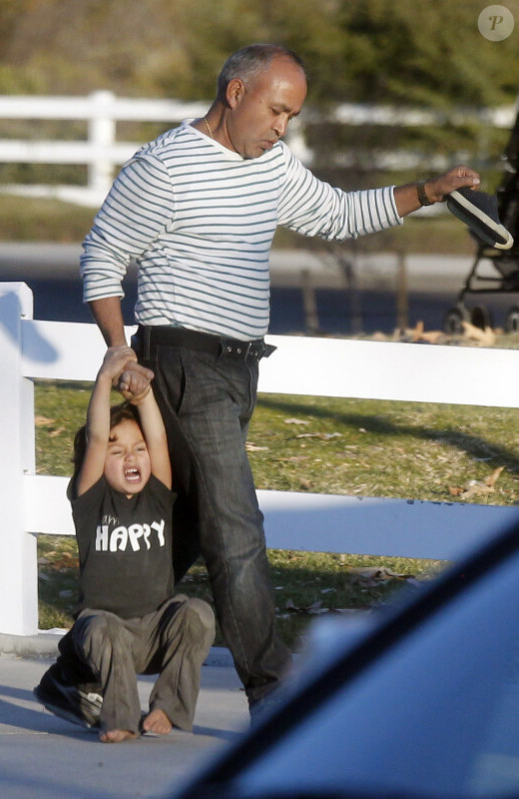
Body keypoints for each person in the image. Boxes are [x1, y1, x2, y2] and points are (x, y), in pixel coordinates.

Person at [78, 43, 481, 717]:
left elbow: (339, 214)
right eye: (276, 109)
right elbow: (102, 256)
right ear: (235, 93)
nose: (281, 127)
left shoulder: (271, 164)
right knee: (237, 528)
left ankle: (77, 669)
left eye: (291, 115)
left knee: (177, 532)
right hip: (181, 361)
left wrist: (429, 192)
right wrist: (121, 352)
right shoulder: (165, 166)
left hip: (238, 366)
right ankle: (274, 692)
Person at [34, 346, 215, 742]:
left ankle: (168, 707)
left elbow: (158, 437)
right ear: (98, 462)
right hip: (104, 633)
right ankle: (118, 718)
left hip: (155, 631)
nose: (131, 456)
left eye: (137, 450)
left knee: (197, 613)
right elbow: (98, 436)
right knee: (102, 629)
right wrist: (104, 380)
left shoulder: (157, 494)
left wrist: (144, 396)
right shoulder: (92, 501)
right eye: (118, 452)